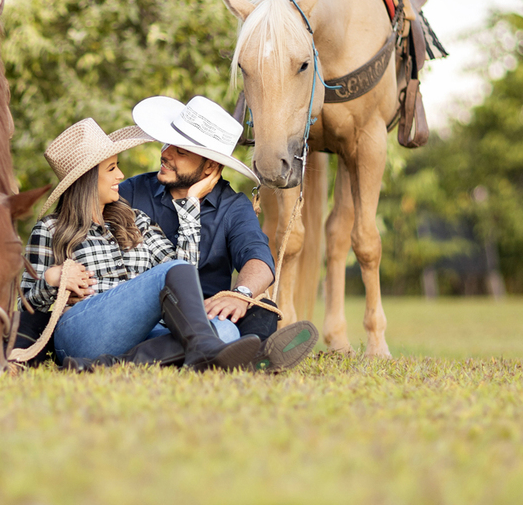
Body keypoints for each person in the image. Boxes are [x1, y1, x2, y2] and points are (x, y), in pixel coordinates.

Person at [20, 118, 262, 371]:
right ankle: (202, 350)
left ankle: (108, 366)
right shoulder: (50, 229)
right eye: (111, 169)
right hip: (82, 331)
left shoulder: (136, 221)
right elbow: (23, 307)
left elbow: (183, 272)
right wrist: (51, 281)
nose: (121, 176)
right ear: (87, 178)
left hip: (142, 334)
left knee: (225, 331)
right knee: (210, 330)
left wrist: (191, 203)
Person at [117, 95, 318, 372]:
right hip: (146, 317)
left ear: (210, 166)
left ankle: (236, 353)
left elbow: (258, 258)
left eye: (181, 151)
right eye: (168, 143)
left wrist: (240, 293)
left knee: (262, 309)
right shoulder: (132, 192)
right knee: (224, 333)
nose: (165, 153)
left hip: (211, 314)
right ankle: (243, 354)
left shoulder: (233, 207)